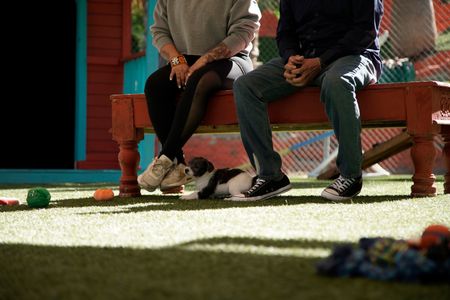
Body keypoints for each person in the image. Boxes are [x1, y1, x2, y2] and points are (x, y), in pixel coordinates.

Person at [231, 0, 384, 201]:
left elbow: (364, 33)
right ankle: (270, 176)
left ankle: (350, 175)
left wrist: (321, 61)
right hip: (306, 59)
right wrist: (290, 58)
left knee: (338, 82)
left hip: (354, 56)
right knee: (246, 86)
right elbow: (286, 32)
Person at [138, 0, 261, 193]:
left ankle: (165, 158)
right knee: (155, 85)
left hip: (232, 60)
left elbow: (243, 32)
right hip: (184, 60)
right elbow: (160, 31)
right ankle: (178, 165)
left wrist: (204, 60)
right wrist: (177, 60)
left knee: (200, 79)